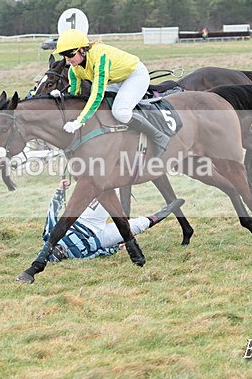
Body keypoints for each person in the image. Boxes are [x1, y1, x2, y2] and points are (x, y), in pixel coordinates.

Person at [52, 29, 169, 157]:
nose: (67, 59)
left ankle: (159, 138)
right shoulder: (74, 70)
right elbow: (74, 95)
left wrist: (80, 120)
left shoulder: (100, 57)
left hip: (134, 75)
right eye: (63, 55)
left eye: (69, 54)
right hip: (115, 79)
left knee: (120, 112)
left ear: (82, 50)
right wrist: (62, 97)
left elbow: (96, 95)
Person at [41, 180, 185, 262]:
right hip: (101, 238)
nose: (61, 251)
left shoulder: (49, 236)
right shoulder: (77, 257)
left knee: (106, 191)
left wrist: (60, 190)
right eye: (61, 255)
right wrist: (116, 248)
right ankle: (168, 209)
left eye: (56, 250)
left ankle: (119, 170)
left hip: (86, 221)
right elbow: (98, 253)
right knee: (136, 227)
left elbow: (52, 212)